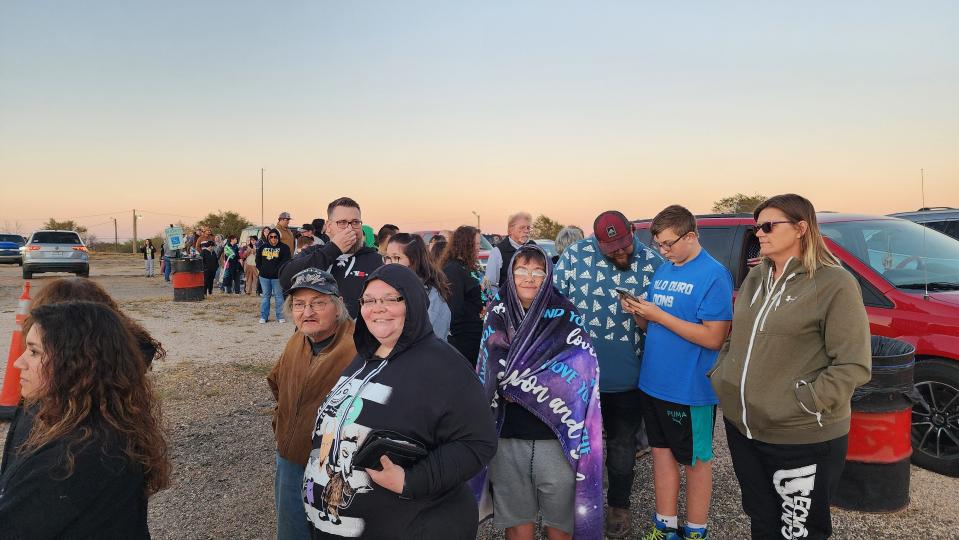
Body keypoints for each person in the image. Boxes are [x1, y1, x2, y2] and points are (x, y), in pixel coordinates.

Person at [710, 194, 871, 540]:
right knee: (761, 519)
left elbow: (853, 364)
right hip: (744, 430)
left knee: (798, 531)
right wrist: (723, 375)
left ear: (801, 228)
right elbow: (735, 338)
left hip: (801, 435)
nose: (760, 234)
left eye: (768, 226)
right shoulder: (756, 278)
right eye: (757, 228)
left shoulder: (834, 284)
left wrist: (803, 402)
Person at [302, 265, 497, 539]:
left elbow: (478, 441)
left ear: (414, 303)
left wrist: (411, 481)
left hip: (418, 525)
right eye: (369, 300)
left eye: (391, 299)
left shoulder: (444, 366)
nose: (377, 308)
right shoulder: (364, 358)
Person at [0, 302, 170, 538]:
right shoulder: (103, 423)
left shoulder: (75, 456)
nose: (19, 362)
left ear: (75, 363)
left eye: (34, 351)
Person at [475, 245, 604, 540]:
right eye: (521, 270)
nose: (529, 278)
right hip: (508, 436)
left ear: (548, 275)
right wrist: (517, 378)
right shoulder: (496, 311)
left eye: (538, 271)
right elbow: (486, 367)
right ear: (510, 274)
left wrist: (517, 381)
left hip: (556, 435)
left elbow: (583, 369)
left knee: (560, 522)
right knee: (518, 522)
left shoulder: (566, 313)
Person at [620, 205, 733, 540]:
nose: (663, 251)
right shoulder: (666, 270)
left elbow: (715, 336)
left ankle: (696, 531)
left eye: (668, 243)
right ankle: (665, 527)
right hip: (654, 382)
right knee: (661, 455)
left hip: (690, 387)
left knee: (696, 462)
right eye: (658, 245)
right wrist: (639, 312)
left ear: (691, 236)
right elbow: (650, 326)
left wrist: (658, 315)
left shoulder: (713, 274)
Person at [552, 210, 663, 538]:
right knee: (575, 445)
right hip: (577, 378)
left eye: (624, 245)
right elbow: (555, 303)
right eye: (610, 248)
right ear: (596, 241)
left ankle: (619, 506)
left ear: (632, 231)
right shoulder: (574, 256)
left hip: (626, 380)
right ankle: (575, 506)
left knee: (621, 445)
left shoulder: (654, 264)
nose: (620, 253)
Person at [267, 268, 357, 540]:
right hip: (291, 460)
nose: (308, 312)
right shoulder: (299, 339)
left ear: (337, 304)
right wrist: (282, 426)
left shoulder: (357, 349)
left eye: (319, 303)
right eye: (299, 305)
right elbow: (277, 383)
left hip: (333, 470)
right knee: (292, 531)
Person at [279, 197, 383, 318]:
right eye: (342, 223)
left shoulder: (376, 260)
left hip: (355, 334)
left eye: (355, 222)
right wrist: (334, 249)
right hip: (313, 334)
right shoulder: (314, 252)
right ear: (328, 226)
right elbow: (285, 279)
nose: (350, 228)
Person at [384, 233, 451, 340]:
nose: (389, 263)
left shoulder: (431, 297)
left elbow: (431, 341)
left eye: (396, 257)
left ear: (414, 260)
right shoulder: (383, 289)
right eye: (387, 257)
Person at [438, 226, 484, 366]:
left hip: (474, 334)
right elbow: (454, 311)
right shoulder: (453, 270)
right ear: (464, 244)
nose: (478, 247)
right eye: (475, 244)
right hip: (465, 341)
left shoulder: (466, 267)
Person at [484, 212, 536, 295]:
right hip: (507, 303)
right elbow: (490, 284)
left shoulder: (535, 248)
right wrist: (500, 302)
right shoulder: (498, 252)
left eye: (528, 228)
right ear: (510, 230)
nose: (526, 231)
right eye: (522, 227)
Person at [257, 228, 292, 323]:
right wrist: (262, 269)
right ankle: (264, 316)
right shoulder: (263, 247)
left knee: (279, 297)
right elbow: (258, 260)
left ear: (278, 237)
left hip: (277, 277)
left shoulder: (284, 248)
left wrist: (278, 271)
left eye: (275, 237)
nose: (273, 239)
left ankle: (280, 316)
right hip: (264, 277)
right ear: (268, 237)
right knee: (265, 297)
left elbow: (286, 261)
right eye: (271, 237)